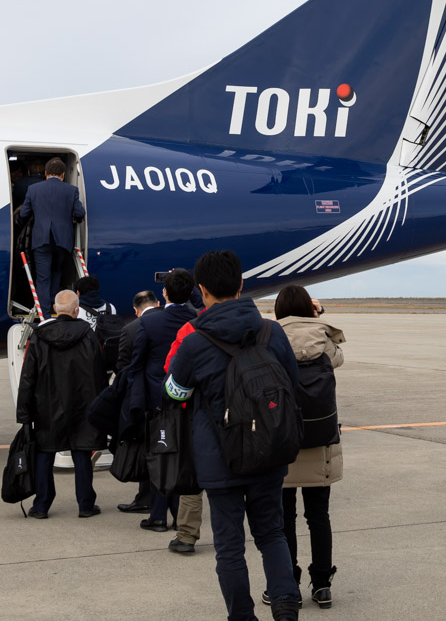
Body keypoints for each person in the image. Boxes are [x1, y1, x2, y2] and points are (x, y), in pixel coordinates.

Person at [166, 250, 304, 621]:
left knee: (229, 547)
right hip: (268, 450)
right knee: (272, 534)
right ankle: (286, 609)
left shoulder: (194, 341)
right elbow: (292, 383)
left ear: (203, 291)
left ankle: (241, 616)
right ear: (242, 285)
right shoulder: (270, 331)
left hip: (220, 457)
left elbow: (174, 391)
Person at [271, 284, 345, 609]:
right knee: (319, 515)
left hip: (284, 441)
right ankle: (323, 585)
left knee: (284, 519)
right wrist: (319, 318)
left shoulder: (271, 336)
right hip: (320, 439)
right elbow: (339, 359)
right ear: (308, 308)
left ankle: (288, 585)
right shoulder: (323, 336)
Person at [128, 270, 204, 553]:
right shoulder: (197, 318)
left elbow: (136, 365)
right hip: (193, 400)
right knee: (187, 457)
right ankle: (177, 516)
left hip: (159, 398)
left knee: (161, 454)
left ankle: (158, 515)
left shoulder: (151, 322)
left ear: (164, 294)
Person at [15, 289, 107, 519]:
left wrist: (24, 412)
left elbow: (28, 378)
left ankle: (42, 505)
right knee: (81, 452)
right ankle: (85, 504)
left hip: (47, 405)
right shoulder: (88, 335)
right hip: (81, 404)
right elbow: (98, 374)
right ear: (77, 311)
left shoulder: (39, 336)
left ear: (55, 309)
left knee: (45, 453)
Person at [17, 157, 85, 318]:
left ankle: (45, 316)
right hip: (63, 240)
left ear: (46, 173)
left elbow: (24, 214)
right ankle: (57, 309)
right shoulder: (71, 190)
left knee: (43, 278)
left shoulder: (34, 189)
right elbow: (80, 213)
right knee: (57, 272)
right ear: (62, 175)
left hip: (41, 239)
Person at [115, 290, 161, 514]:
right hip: (173, 397)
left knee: (147, 449)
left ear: (135, 310)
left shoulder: (130, 329)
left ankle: (146, 498)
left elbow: (123, 368)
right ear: (158, 303)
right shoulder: (175, 322)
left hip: (143, 400)